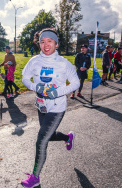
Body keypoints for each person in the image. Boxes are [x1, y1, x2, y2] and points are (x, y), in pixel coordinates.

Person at [21, 28, 80, 188]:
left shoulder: (63, 63)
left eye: (49, 41)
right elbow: (24, 77)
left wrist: (57, 92)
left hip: (57, 108)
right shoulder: (34, 61)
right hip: (41, 106)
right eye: (42, 41)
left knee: (41, 141)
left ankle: (35, 177)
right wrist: (35, 87)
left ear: (56, 43)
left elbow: (76, 82)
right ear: (39, 43)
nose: (46, 45)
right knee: (49, 135)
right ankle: (68, 138)